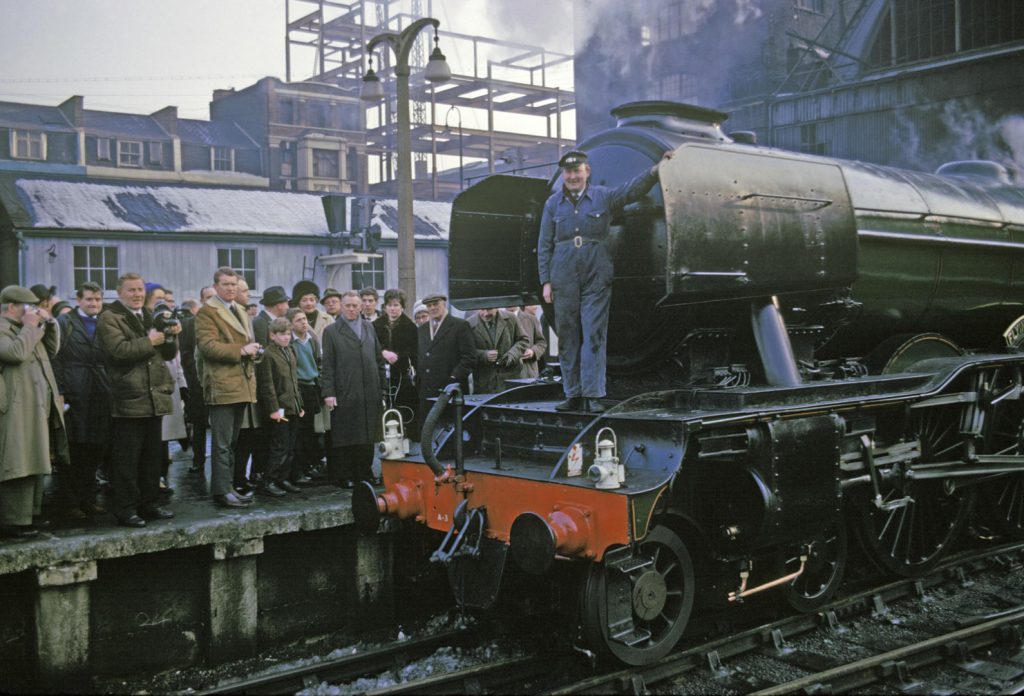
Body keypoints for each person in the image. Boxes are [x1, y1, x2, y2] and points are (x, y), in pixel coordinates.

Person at [537, 148, 672, 413]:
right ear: (563, 174)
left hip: (596, 273)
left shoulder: (603, 196)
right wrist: (546, 281)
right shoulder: (552, 204)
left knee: (594, 335)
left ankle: (593, 394)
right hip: (563, 275)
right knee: (567, 337)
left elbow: (631, 190)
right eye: (568, 172)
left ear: (587, 172)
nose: (572, 176)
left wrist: (655, 171)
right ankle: (572, 394)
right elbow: (544, 245)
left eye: (577, 171)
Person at [97, 273, 178, 527]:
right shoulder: (109, 318)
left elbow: (167, 353)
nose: (137, 294)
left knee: (151, 457)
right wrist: (150, 340)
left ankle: (149, 503)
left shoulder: (148, 315)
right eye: (131, 290)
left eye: (140, 290)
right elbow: (118, 352)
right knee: (126, 460)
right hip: (128, 397)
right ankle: (126, 508)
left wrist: (172, 335)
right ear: (120, 292)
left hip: (153, 396)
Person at [0, 285, 67, 538]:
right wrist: (30, 327)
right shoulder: (4, 329)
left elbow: (51, 350)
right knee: (17, 462)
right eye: (28, 307)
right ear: (11, 307)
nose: (33, 312)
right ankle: (13, 520)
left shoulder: (26, 330)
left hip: (35, 406)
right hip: (14, 409)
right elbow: (15, 353)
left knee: (36, 458)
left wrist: (48, 325)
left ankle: (31, 514)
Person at [195, 267, 261, 509]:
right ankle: (222, 491)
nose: (231, 288)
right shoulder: (207, 312)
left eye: (234, 284)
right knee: (222, 443)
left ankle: (229, 487)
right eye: (226, 284)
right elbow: (208, 347)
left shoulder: (240, 310)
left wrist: (253, 351)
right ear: (216, 286)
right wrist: (241, 350)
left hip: (241, 384)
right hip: (222, 385)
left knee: (232, 442)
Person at [52, 282, 111, 520]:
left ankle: (88, 498)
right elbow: (56, 359)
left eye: (97, 299)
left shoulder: (105, 323)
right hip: (76, 391)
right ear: (78, 300)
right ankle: (70, 502)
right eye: (89, 299)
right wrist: (61, 390)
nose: (94, 304)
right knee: (73, 448)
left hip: (100, 391)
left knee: (95, 447)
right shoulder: (65, 324)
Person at [321, 291, 383, 487]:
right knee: (346, 434)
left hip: (369, 389)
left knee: (367, 434)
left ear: (361, 307)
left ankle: (364, 472)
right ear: (341, 306)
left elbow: (378, 358)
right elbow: (328, 365)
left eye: (355, 305)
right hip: (345, 389)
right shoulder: (331, 331)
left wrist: (381, 388)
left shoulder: (369, 327)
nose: (351, 309)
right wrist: (329, 393)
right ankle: (345, 475)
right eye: (347, 305)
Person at [256, 318, 305, 497]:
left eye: (287, 334)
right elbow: (267, 385)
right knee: (280, 446)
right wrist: (273, 409)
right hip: (280, 408)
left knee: (291, 445)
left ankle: (282, 478)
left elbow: (294, 380)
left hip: (292, 406)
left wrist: (300, 405)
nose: (286, 338)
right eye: (281, 334)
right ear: (272, 335)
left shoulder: (290, 350)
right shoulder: (268, 355)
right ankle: (268, 481)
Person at [416, 293, 475, 434]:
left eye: (436, 304)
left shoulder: (460, 325)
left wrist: (454, 378)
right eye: (429, 305)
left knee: (450, 432)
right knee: (429, 433)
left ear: (444, 304)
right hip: (427, 391)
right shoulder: (422, 330)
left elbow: (469, 357)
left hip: (450, 390)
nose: (432, 308)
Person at [373, 288, 419, 438]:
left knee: (404, 405)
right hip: (380, 373)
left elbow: (414, 351)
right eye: (389, 305)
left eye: (396, 305)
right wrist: (383, 352)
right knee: (383, 405)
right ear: (385, 307)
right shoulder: (375, 325)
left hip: (401, 374)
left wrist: (398, 357)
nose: (393, 308)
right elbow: (370, 347)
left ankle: (407, 436)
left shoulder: (410, 327)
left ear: (403, 307)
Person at [179, 286, 214, 474]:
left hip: (220, 382)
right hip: (198, 382)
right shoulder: (190, 323)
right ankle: (198, 459)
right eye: (207, 297)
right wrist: (194, 378)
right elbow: (185, 353)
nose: (211, 301)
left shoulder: (225, 321)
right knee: (199, 424)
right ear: (201, 300)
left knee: (221, 425)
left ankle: (221, 462)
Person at [287, 307, 323, 484]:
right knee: (298, 432)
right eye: (298, 320)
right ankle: (296, 471)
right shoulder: (290, 343)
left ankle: (308, 466)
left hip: (312, 388)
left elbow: (318, 362)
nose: (303, 322)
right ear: (291, 325)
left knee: (310, 431)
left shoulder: (312, 340)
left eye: (304, 319)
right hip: (298, 388)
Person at [468, 308, 529, 394]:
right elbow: (466, 351)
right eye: (482, 310)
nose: (485, 314)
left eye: (489, 309)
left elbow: (524, 340)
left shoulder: (511, 318)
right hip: (484, 384)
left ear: (496, 307)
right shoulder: (470, 324)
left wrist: (512, 355)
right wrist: (483, 355)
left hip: (510, 380)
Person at [505, 305, 547, 378]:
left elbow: (541, 342)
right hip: (504, 374)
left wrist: (532, 351)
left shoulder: (531, 319)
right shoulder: (496, 319)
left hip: (527, 372)